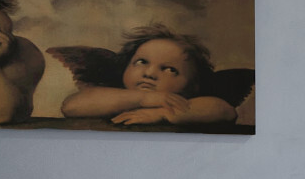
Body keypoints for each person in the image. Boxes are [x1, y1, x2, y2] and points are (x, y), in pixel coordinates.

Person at [58, 24, 239, 125]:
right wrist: (143, 99)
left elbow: (225, 110)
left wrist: (163, 114)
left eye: (169, 70)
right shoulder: (112, 97)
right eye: (141, 62)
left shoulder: (190, 104)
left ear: (192, 85)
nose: (150, 73)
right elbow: (72, 106)